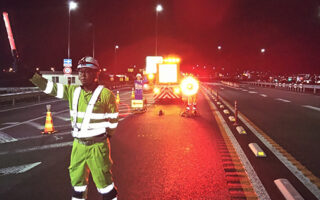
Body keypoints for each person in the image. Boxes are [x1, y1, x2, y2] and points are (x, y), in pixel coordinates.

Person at [30, 56, 118, 200]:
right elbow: (49, 87)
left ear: (96, 73)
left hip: (98, 146)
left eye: (87, 71)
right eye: (80, 71)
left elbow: (113, 121)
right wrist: (30, 75)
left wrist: (106, 137)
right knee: (77, 185)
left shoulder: (106, 95)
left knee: (105, 185)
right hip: (78, 146)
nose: (82, 75)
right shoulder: (73, 91)